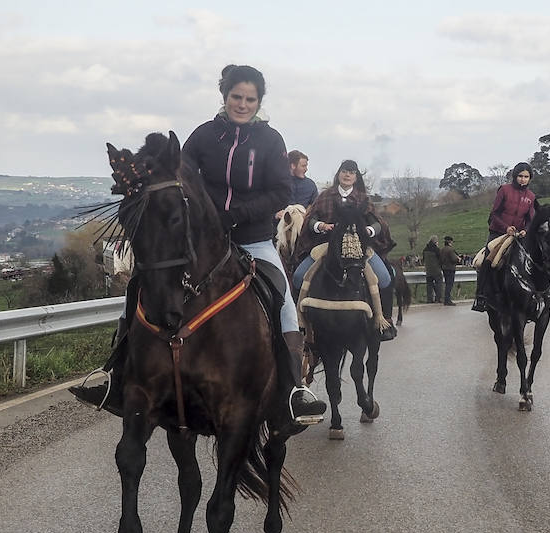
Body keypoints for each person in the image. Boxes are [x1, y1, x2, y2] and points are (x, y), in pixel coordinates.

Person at [71, 64, 326, 427]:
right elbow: (178, 174)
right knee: (141, 285)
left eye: (250, 99)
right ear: (225, 96)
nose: (243, 104)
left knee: (284, 301)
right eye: (236, 97)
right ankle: (117, 374)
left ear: (259, 101)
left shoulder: (271, 141)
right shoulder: (205, 136)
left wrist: (236, 215)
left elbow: (280, 192)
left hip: (252, 240)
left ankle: (292, 391)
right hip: (201, 242)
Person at [291, 159, 397, 341]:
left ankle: (384, 321)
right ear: (338, 174)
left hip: (358, 246)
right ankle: (300, 322)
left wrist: (368, 230)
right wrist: (321, 226)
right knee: (298, 277)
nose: (347, 175)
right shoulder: (325, 196)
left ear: (356, 177)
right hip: (327, 245)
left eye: (351, 172)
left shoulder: (363, 199)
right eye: (344, 171)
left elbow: (378, 223)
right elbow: (310, 220)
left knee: (386, 277)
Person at [472, 162, 550, 312]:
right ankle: (481, 296)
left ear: (530, 179)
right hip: (498, 233)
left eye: (526, 177)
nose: (523, 179)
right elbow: (494, 214)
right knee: (488, 259)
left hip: (520, 234)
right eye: (520, 176)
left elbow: (530, 219)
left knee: (543, 255)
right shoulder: (504, 190)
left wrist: (526, 230)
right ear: (515, 177)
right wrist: (506, 228)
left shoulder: (531, 196)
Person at [421, 237, 443, 304]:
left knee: (429, 285)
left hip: (428, 271)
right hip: (436, 270)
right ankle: (438, 298)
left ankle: (429, 299)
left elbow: (423, 260)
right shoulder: (437, 250)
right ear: (435, 242)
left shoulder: (425, 250)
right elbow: (441, 259)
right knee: (439, 284)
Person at [438, 235, 458, 305]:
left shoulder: (442, 249)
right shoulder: (450, 249)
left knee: (447, 284)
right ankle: (447, 300)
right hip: (450, 268)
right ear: (450, 242)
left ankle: (446, 299)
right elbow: (454, 259)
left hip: (444, 268)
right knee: (449, 284)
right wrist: (458, 259)